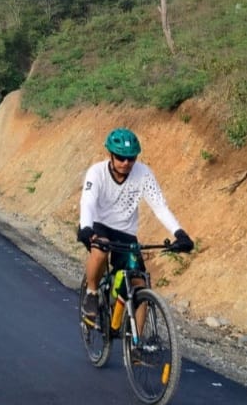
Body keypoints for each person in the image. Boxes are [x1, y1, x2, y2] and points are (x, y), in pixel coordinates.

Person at [77, 127, 194, 324]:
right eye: (121, 158)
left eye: (131, 158)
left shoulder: (143, 174)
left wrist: (179, 233)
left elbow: (160, 207)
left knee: (140, 283)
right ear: (111, 155)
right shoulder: (96, 173)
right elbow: (87, 203)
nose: (126, 163)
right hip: (98, 224)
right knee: (100, 250)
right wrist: (87, 228)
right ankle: (91, 293)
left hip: (125, 231)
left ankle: (137, 349)